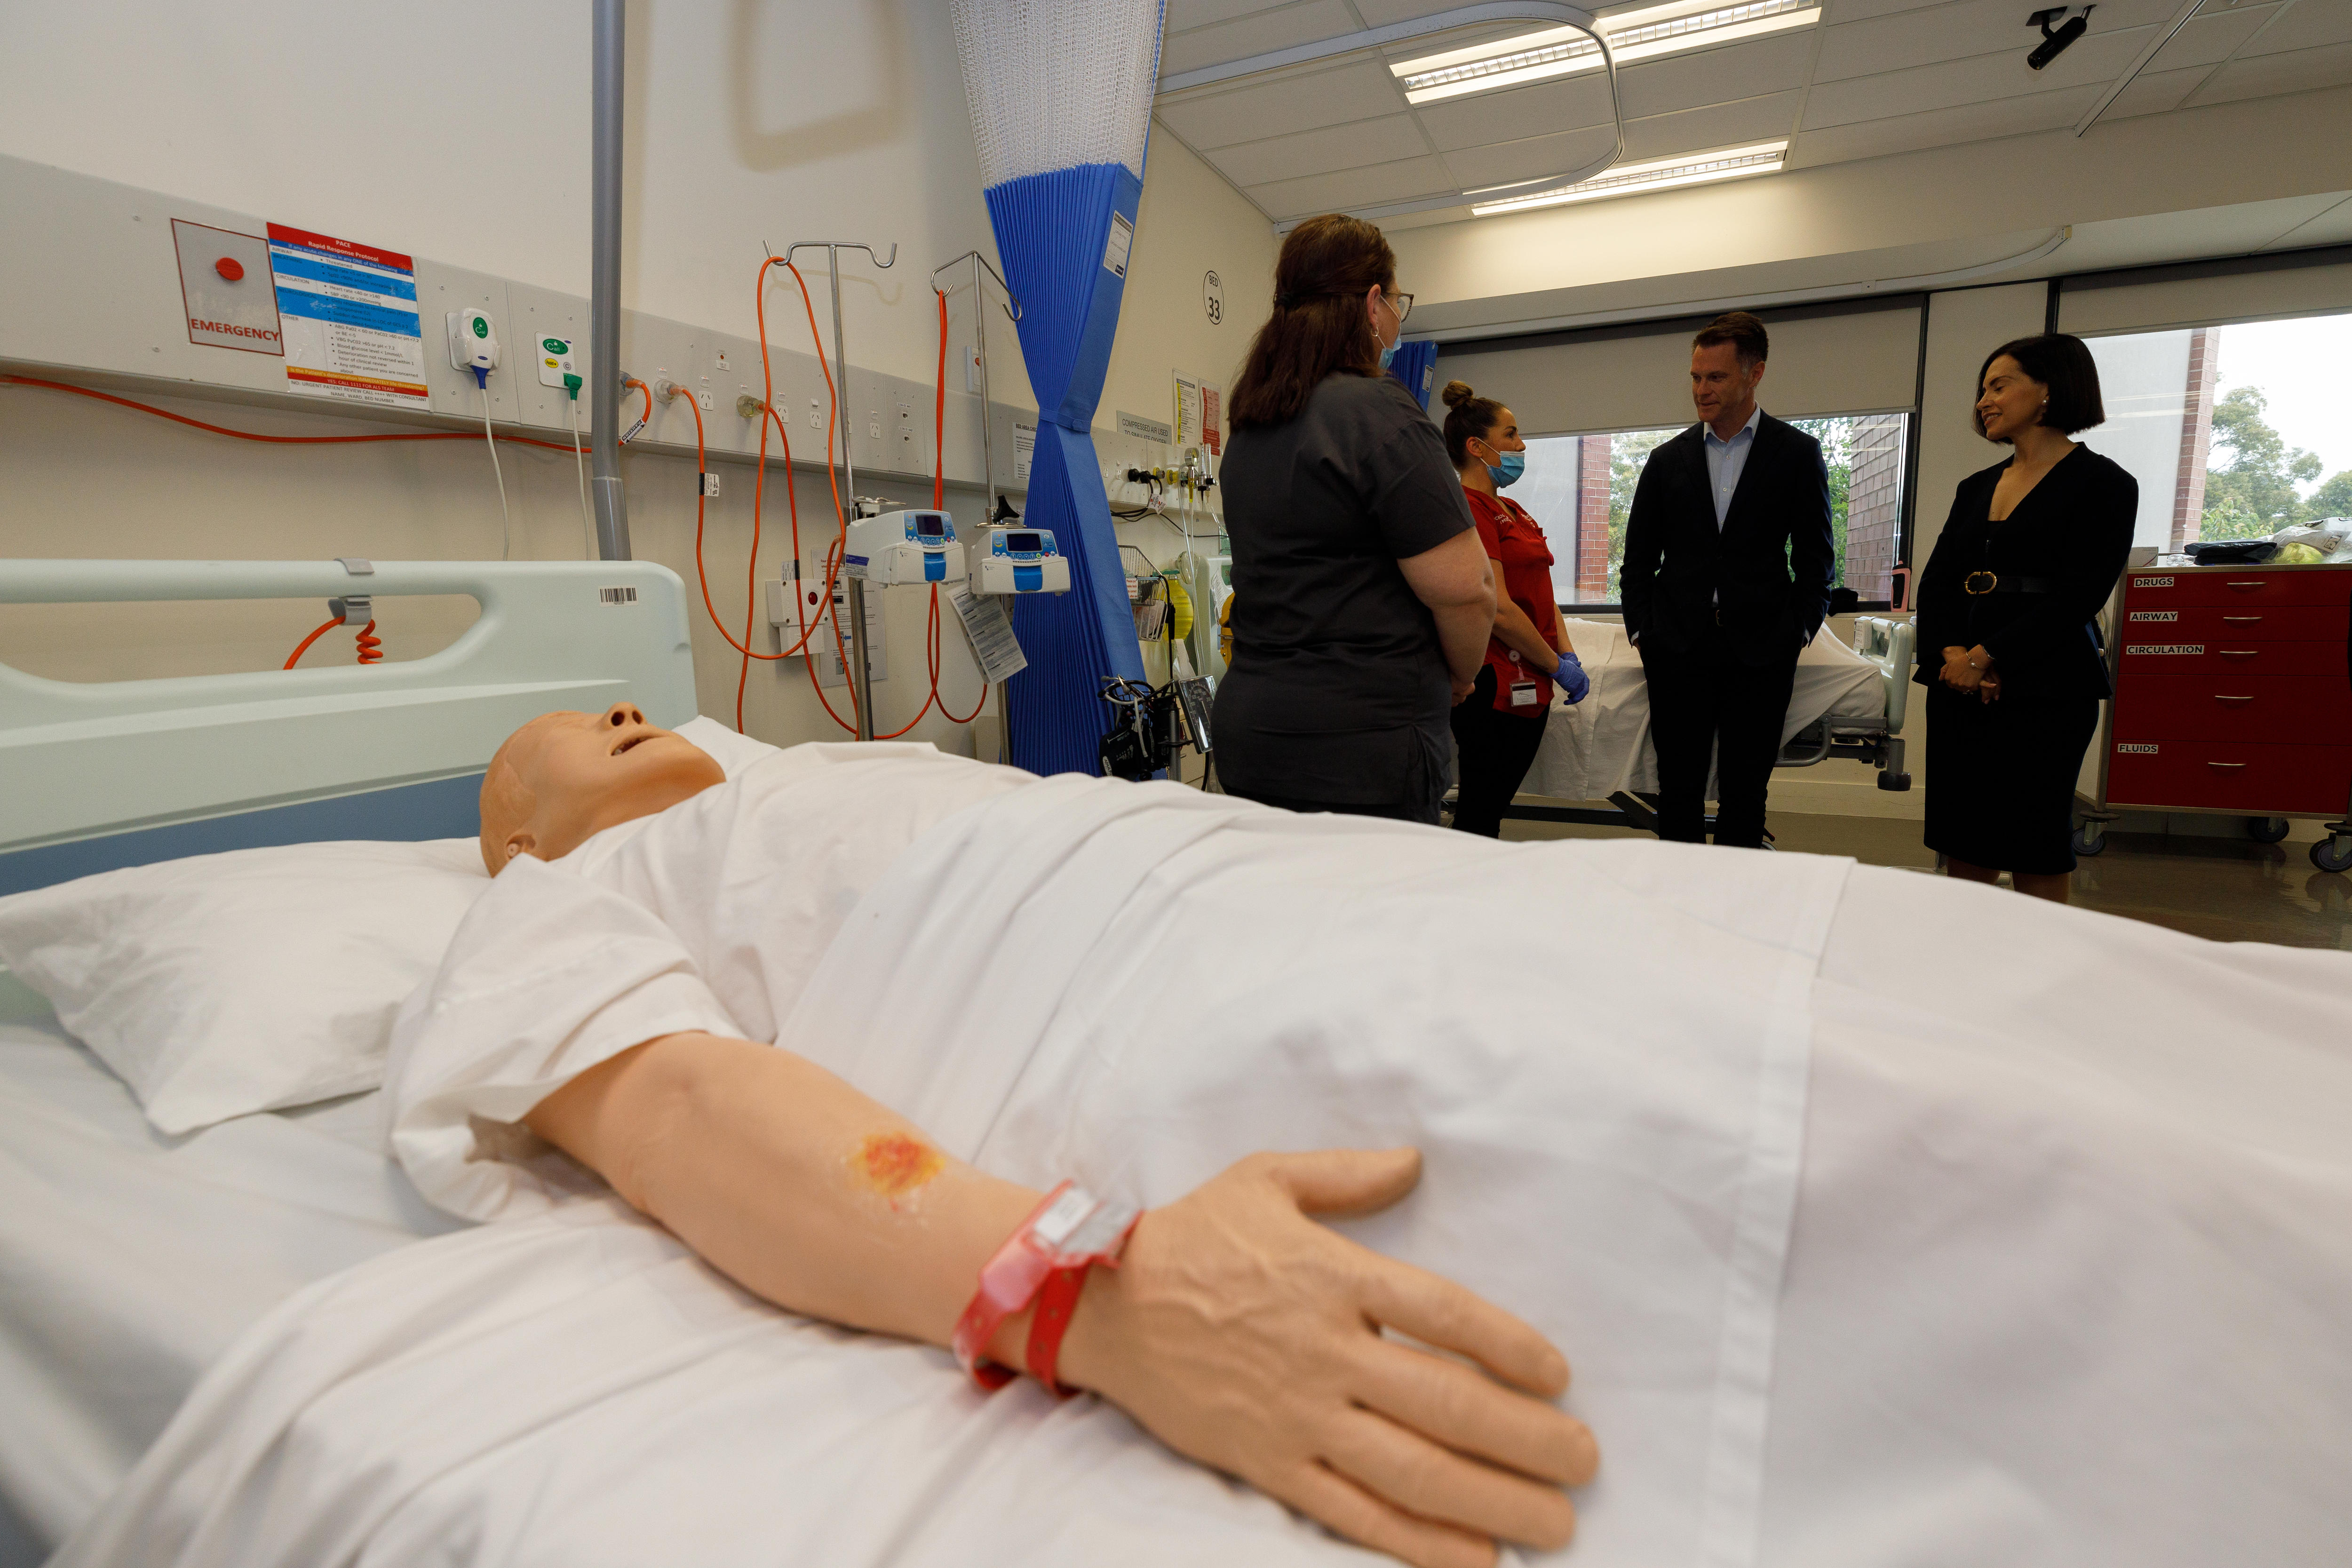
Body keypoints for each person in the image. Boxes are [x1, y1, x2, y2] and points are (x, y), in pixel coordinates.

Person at [446, 703, 1595, 1568]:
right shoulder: (554, 897)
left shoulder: (816, 766)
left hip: (1258, 867)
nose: (625, 712)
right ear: (519, 842)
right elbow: (676, 1111)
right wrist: (1089, 1285)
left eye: (625, 706)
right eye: (568, 732)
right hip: (1113, 974)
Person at [1213, 215, 1496, 824]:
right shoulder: (1379, 413)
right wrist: (1461, 677)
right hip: (1360, 749)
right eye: (1399, 303)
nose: (1398, 319)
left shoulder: (1250, 430)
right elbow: (1468, 590)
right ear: (1374, 305)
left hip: (1254, 734)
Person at [1913, 334, 2135, 902]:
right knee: (1964, 837)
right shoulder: (1974, 487)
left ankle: (2038, 970)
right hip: (1957, 682)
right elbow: (1937, 584)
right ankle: (1968, 959)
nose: (1984, 400)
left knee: (2035, 838)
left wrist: (1988, 657)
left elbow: (2079, 595)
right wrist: (1951, 657)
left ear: (2047, 391)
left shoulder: (2105, 485)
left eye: (1998, 385)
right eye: (1981, 389)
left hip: (2047, 686)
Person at [1619, 312, 1834, 848]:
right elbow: (1637, 560)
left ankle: (1737, 914)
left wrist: (1798, 631)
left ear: (1753, 373)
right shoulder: (1666, 461)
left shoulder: (1795, 454)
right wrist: (1642, 631)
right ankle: (1679, 909)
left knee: (1745, 795)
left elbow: (1815, 559)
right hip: (1676, 648)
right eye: (1695, 377)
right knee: (1678, 793)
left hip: (1761, 649)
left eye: (1714, 377)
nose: (1701, 390)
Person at [1438, 381, 1589, 836]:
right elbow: (1498, 608)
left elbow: (1541, 590)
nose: (1521, 445)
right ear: (1476, 447)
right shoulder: (1466, 510)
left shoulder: (1515, 512)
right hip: (1492, 683)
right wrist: (1554, 665)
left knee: (1491, 810)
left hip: (1534, 676)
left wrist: (1566, 655)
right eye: (1511, 434)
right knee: (1480, 815)